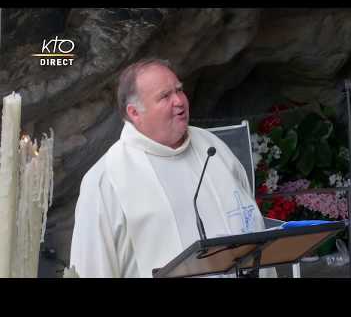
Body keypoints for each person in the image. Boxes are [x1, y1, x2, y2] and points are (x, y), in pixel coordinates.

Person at [70, 58, 277, 278]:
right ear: (134, 113)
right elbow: (91, 266)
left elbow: (250, 218)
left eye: (179, 90)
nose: (179, 101)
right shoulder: (106, 179)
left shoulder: (212, 147)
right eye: (165, 96)